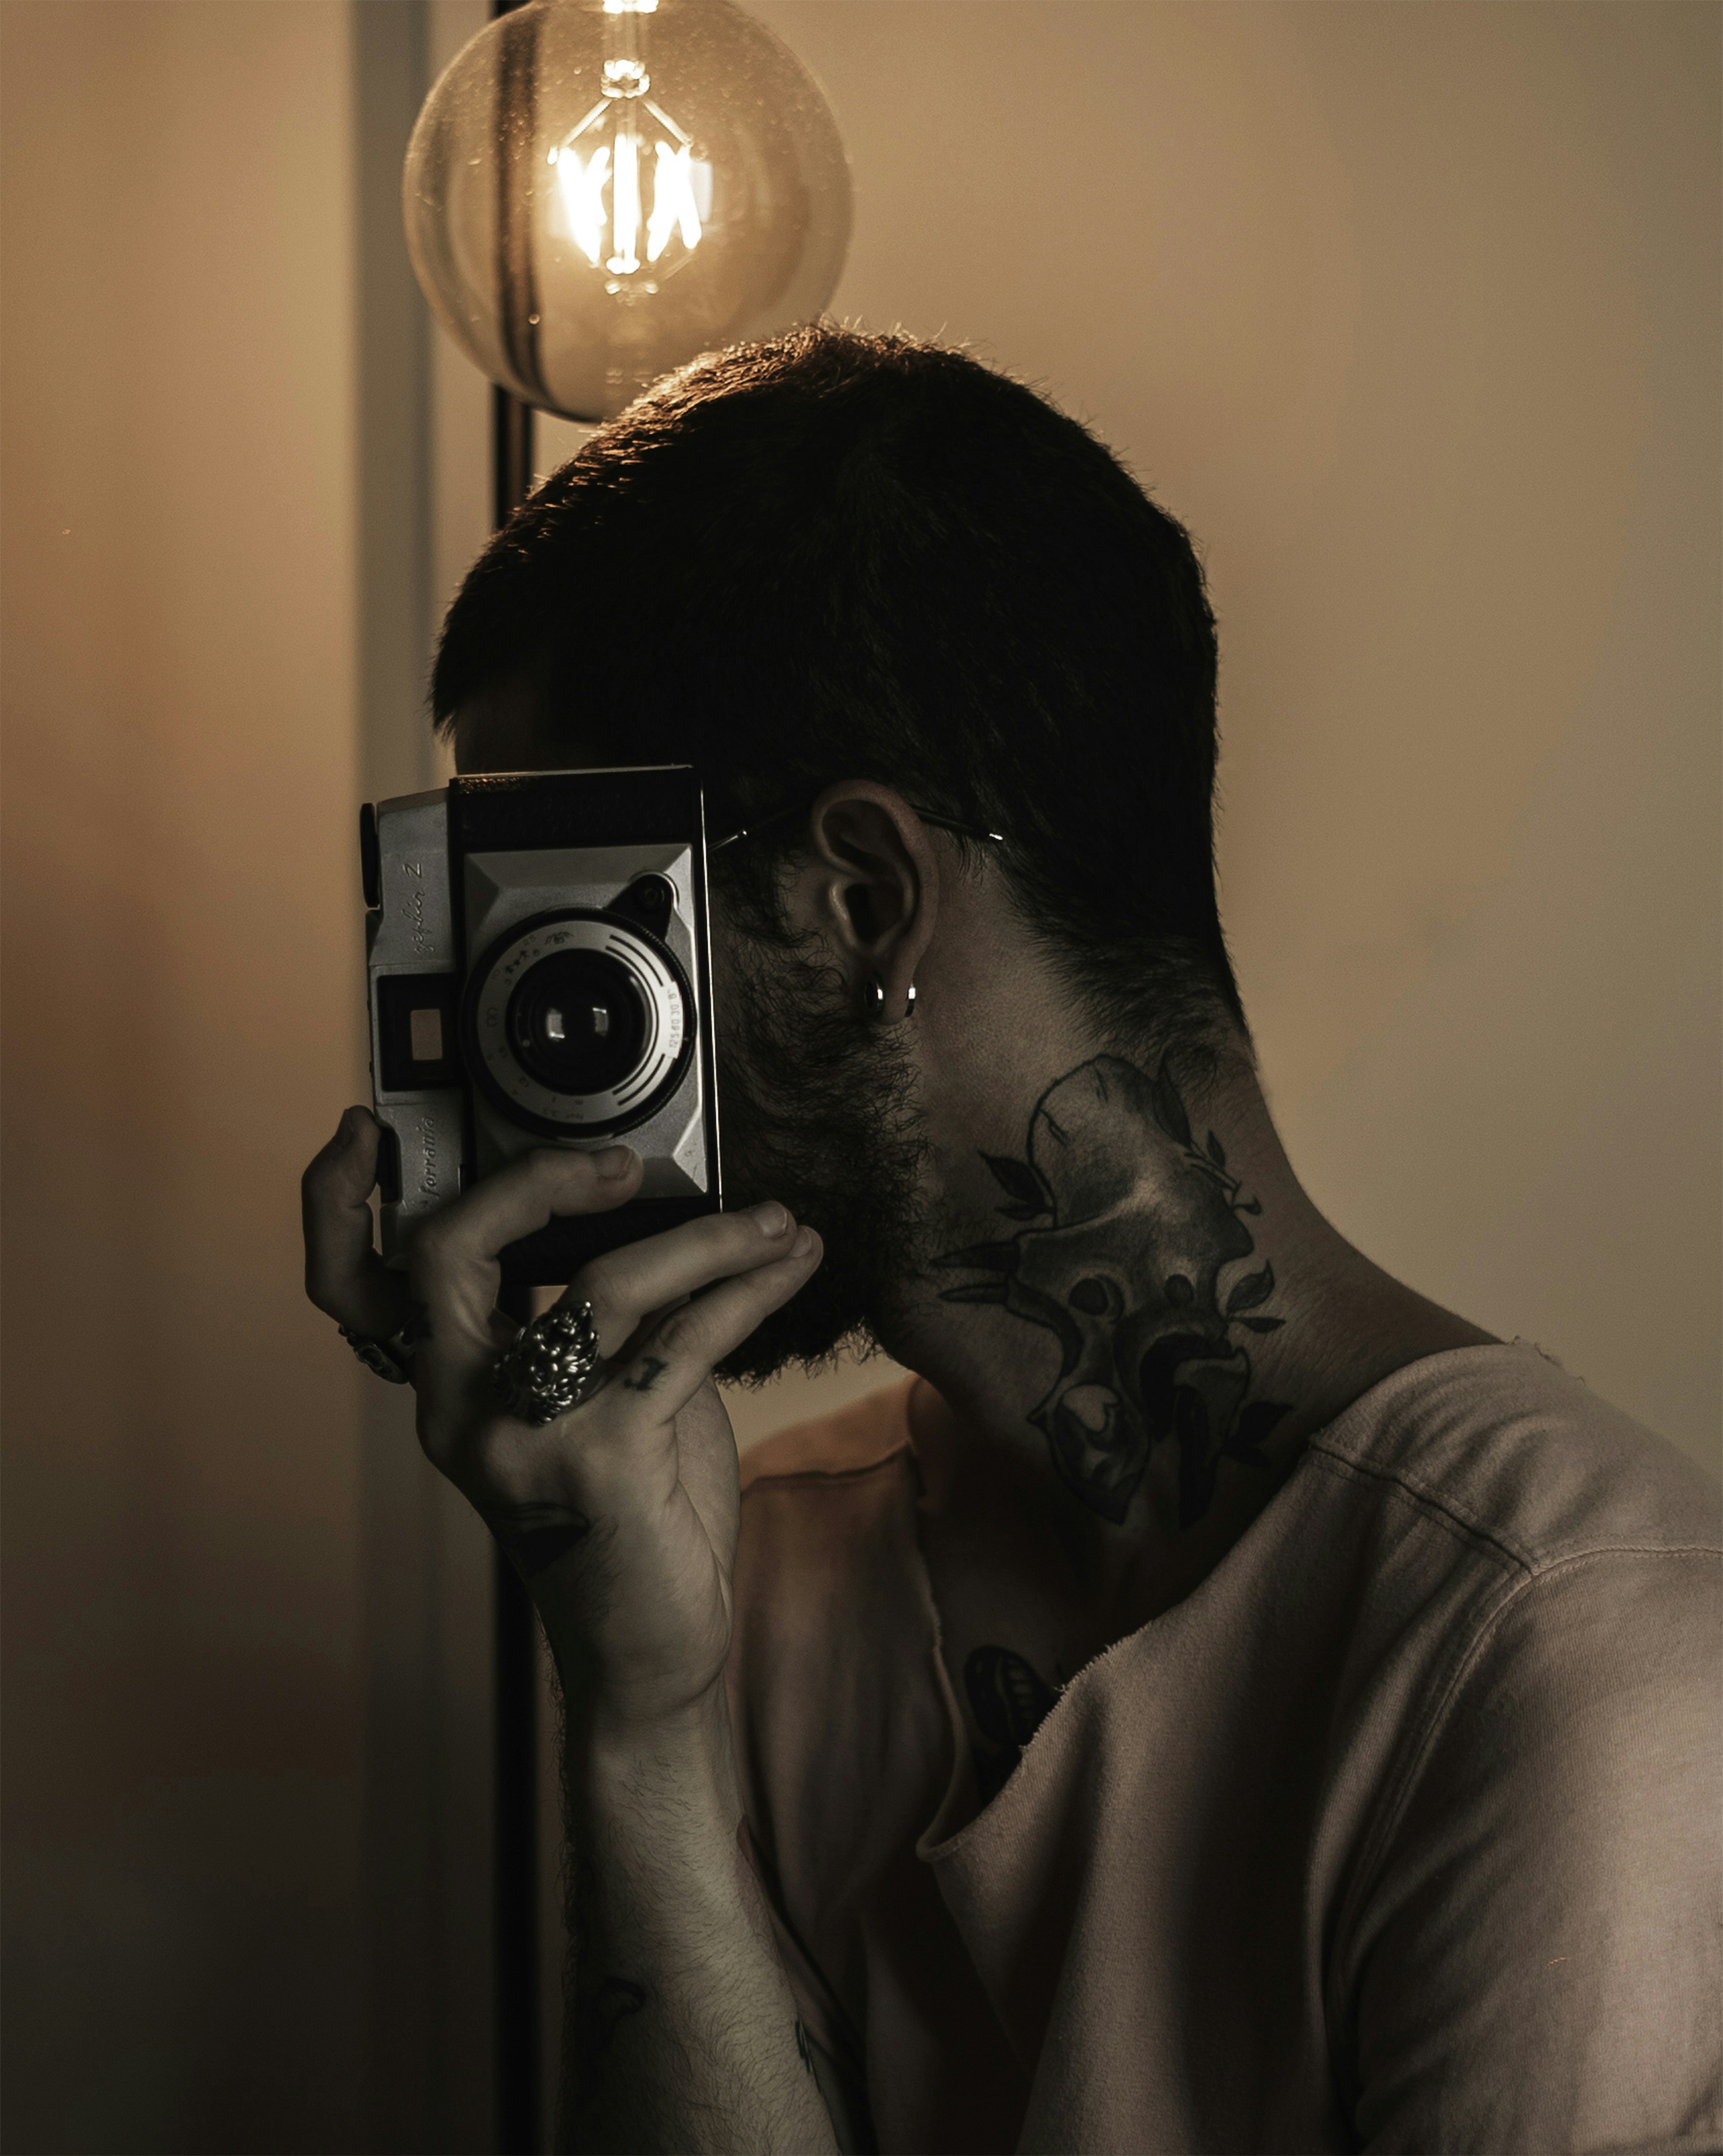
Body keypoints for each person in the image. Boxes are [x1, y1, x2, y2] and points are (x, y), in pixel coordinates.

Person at [301, 327, 1720, 2155]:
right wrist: (637, 1729)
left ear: (865, 896)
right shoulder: (761, 1579)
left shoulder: (1574, 1655)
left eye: (564, 938)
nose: (518, 1064)